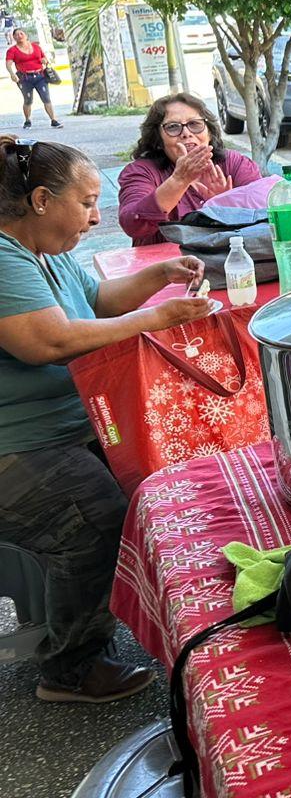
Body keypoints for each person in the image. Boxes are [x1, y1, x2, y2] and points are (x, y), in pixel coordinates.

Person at [0, 136, 213, 702]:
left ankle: (157, 615)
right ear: (41, 200)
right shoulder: (1, 257)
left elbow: (95, 301)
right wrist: (159, 318)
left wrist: (161, 276)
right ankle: (70, 667)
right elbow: (49, 341)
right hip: (15, 448)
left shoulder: (45, 250)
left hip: (66, 430)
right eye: (88, 203)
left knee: (160, 478)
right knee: (99, 521)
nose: (97, 218)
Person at [117, 93, 262, 246]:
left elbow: (265, 214)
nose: (186, 133)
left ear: (209, 133)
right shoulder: (141, 172)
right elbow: (132, 223)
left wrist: (226, 204)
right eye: (173, 127)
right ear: (158, 139)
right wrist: (179, 180)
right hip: (167, 261)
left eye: (195, 124)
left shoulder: (233, 163)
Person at [6, 28, 62, 129]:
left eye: (21, 33)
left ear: (26, 35)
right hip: (25, 78)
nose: (19, 36)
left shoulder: (36, 47)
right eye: (17, 35)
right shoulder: (12, 50)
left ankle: (54, 120)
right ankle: (27, 120)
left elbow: (44, 58)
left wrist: (44, 60)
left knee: (46, 98)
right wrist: (12, 74)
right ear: (14, 37)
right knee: (28, 100)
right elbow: (8, 63)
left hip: (40, 76)